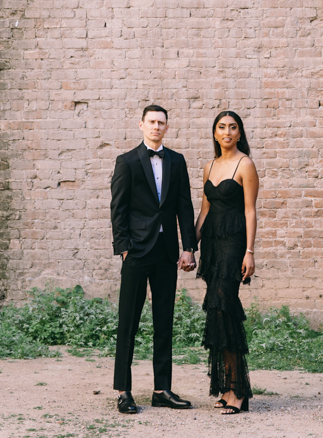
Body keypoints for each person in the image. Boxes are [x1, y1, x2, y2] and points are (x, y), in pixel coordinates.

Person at [110, 104, 198, 415]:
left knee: (164, 323)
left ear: (167, 127)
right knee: (128, 322)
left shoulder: (177, 161)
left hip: (166, 252)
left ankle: (162, 389)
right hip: (136, 252)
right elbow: (117, 209)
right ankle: (124, 390)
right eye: (151, 122)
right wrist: (123, 248)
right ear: (141, 125)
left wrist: (189, 247)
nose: (156, 127)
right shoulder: (128, 161)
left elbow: (185, 206)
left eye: (161, 122)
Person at [195, 110, 259, 416]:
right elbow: (204, 211)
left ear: (239, 132)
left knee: (225, 305)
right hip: (211, 245)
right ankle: (226, 386)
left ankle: (238, 392)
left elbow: (250, 210)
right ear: (215, 132)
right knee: (216, 313)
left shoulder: (245, 164)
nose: (227, 132)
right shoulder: (209, 165)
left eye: (233, 127)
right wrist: (187, 246)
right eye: (222, 127)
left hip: (234, 244)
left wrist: (249, 251)